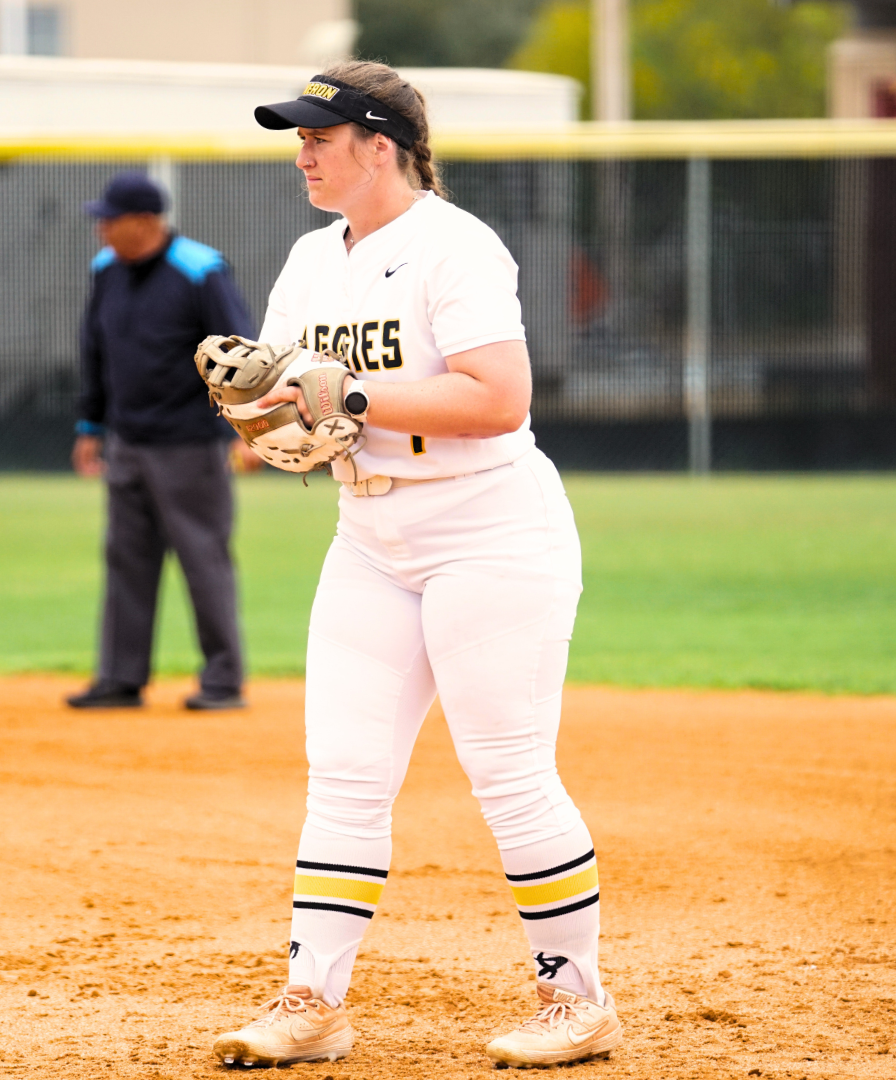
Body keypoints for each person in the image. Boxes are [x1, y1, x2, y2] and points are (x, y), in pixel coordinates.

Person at [208, 62, 622, 1069]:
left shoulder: (454, 246)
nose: (302, 152)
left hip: (490, 534)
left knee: (509, 774)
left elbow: (498, 398)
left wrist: (343, 396)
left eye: (319, 136)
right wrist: (263, 421)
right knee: (345, 777)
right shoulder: (311, 262)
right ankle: (313, 1002)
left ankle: (577, 1001)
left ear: (379, 146)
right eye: (297, 137)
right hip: (370, 538)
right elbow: (291, 399)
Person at [67, 172, 254, 712]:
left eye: (110, 219)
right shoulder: (105, 270)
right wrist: (90, 426)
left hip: (190, 445)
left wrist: (244, 430)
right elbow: (95, 352)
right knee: (125, 559)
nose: (101, 229)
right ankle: (120, 678)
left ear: (146, 221)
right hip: (126, 441)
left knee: (203, 559)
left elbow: (237, 354)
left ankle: (223, 680)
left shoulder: (199, 270)